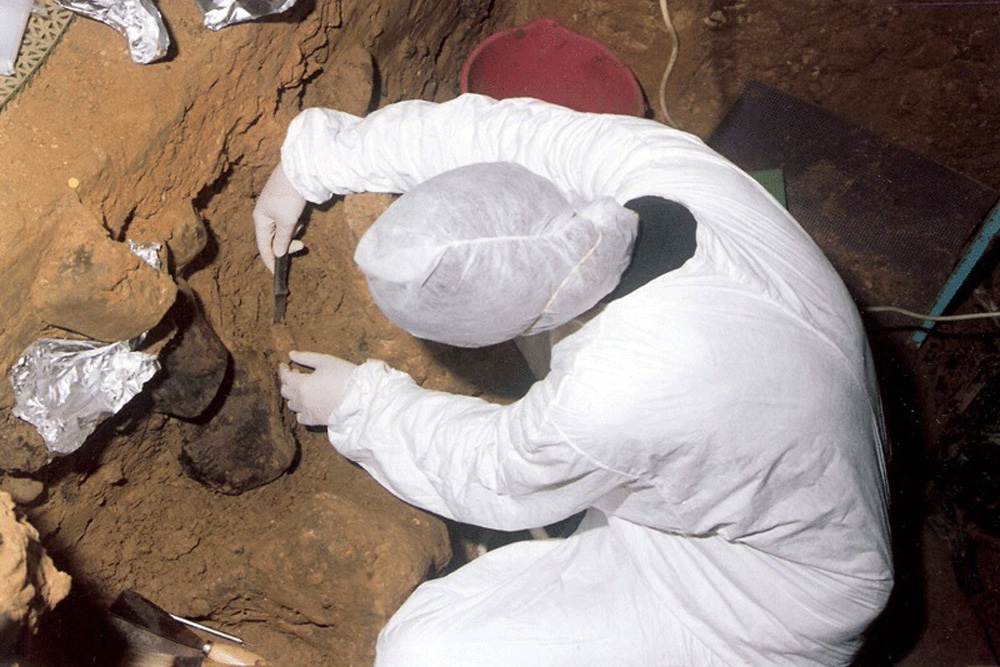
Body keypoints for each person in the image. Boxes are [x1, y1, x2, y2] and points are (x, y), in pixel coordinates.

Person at [252, 94, 893, 666]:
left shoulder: (609, 396)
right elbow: (489, 130)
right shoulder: (657, 166)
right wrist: (308, 163)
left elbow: (493, 468)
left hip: (765, 599)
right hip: (784, 467)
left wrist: (355, 404)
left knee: (420, 651)